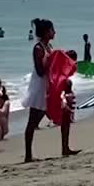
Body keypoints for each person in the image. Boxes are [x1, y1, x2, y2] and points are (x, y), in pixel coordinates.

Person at [23, 18, 54, 163]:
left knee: (39, 117)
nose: (54, 32)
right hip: (38, 87)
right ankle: (28, 155)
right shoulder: (38, 48)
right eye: (52, 30)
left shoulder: (49, 47)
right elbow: (40, 71)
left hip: (47, 85)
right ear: (46, 32)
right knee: (32, 121)